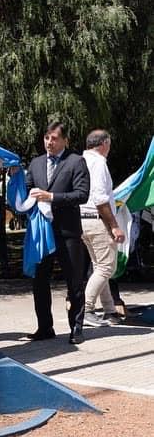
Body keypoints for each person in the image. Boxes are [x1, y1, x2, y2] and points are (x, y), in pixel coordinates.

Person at [25, 122, 90, 345]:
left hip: (67, 232)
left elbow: (82, 194)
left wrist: (51, 197)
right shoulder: (36, 163)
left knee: (74, 281)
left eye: (54, 138)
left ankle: (77, 328)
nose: (49, 143)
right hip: (42, 234)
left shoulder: (76, 161)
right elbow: (27, 189)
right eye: (46, 138)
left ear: (65, 141)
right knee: (39, 281)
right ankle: (45, 327)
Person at [79, 130, 125, 327]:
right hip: (97, 219)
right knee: (107, 267)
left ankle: (109, 311)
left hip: (82, 220)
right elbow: (100, 198)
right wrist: (114, 226)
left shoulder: (79, 160)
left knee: (99, 266)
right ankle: (86, 309)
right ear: (104, 143)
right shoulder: (98, 163)